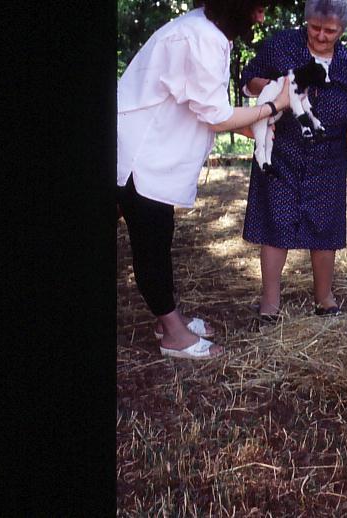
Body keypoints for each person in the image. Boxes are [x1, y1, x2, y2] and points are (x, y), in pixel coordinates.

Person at [117, 0, 291, 360]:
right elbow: (214, 114)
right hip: (141, 155)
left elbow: (198, 103)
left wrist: (251, 127)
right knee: (152, 243)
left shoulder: (205, 31)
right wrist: (274, 106)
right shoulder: (201, 37)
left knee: (157, 239)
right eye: (257, 7)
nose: (260, 15)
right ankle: (173, 335)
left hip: (151, 151)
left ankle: (170, 320)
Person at [240, 0, 347, 318]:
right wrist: (276, 87)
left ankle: (324, 298)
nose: (322, 36)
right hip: (281, 148)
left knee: (325, 227)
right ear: (306, 22)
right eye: (315, 28)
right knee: (276, 221)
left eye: (331, 31)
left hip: (327, 157)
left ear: (342, 30)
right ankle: (270, 304)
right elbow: (249, 80)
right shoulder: (283, 45)